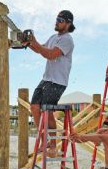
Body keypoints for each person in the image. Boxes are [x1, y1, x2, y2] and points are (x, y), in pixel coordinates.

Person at [25, 10, 75, 157]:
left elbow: (51, 55)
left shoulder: (67, 39)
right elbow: (41, 49)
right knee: (34, 107)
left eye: (60, 19)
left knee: (47, 112)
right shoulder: (53, 37)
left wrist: (35, 44)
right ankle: (44, 141)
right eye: (57, 19)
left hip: (58, 81)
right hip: (46, 79)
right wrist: (29, 42)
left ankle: (52, 145)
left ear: (68, 23)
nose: (57, 21)